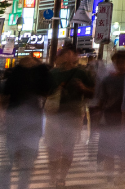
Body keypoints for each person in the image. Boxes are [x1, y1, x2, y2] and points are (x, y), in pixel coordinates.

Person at [0, 54, 53, 189]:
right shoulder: (39, 73)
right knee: (25, 162)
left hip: (16, 120)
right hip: (30, 121)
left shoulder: (16, 72)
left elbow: (5, 96)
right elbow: (48, 90)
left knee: (9, 161)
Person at [94, 51, 125, 184]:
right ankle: (109, 179)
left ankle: (121, 178)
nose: (120, 65)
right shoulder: (107, 80)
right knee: (109, 152)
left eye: (123, 62)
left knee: (124, 153)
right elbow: (102, 101)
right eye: (117, 62)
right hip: (110, 119)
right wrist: (97, 120)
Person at [48, 47, 94, 188]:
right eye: (65, 54)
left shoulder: (81, 73)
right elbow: (43, 91)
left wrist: (83, 88)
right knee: (52, 148)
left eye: (72, 54)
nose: (70, 56)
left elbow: (93, 92)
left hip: (72, 113)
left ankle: (61, 177)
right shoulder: (52, 73)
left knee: (68, 147)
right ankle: (53, 175)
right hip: (53, 113)